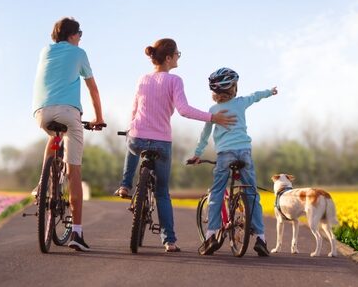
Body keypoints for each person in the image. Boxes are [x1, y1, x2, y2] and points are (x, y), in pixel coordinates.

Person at [115, 38, 237, 252]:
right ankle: (169, 241)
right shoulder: (175, 80)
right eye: (177, 54)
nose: (179, 57)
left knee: (131, 141)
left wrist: (131, 128)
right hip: (161, 142)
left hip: (138, 139)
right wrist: (212, 117)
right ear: (169, 58)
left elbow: (134, 109)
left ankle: (125, 184)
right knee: (162, 192)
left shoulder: (142, 79)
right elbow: (184, 110)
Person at [31, 17, 105, 252]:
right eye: (80, 34)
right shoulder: (79, 53)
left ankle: (42, 184)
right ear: (73, 35)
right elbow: (93, 88)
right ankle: (77, 233)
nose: (80, 38)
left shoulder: (45, 51)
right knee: (74, 171)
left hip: (41, 113)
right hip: (68, 112)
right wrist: (98, 118)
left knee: (53, 136)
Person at [187, 67, 277, 257]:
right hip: (245, 152)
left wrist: (197, 154)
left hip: (225, 154)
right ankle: (261, 239)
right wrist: (270, 92)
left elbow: (205, 135)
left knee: (217, 192)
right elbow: (256, 96)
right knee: (252, 193)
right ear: (234, 88)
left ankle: (211, 236)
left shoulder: (213, 111)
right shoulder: (241, 102)